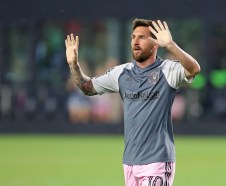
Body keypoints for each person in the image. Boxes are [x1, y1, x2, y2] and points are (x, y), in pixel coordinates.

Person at [65, 18, 200, 186]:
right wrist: (74, 65)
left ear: (155, 43)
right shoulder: (121, 73)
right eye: (133, 37)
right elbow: (87, 87)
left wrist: (171, 45)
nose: (135, 41)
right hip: (130, 162)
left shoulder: (167, 70)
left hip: (157, 161)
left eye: (142, 37)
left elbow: (194, 69)